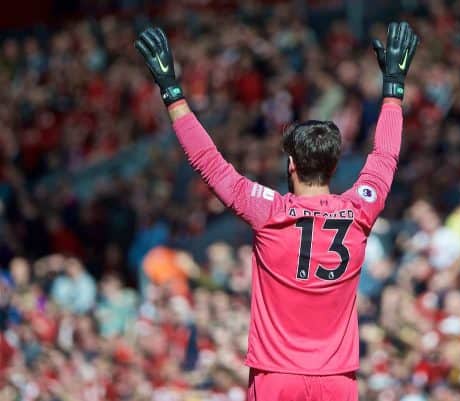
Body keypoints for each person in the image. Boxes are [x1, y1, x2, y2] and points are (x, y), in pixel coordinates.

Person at [135, 21, 419, 400]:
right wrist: (393, 90)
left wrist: (172, 93)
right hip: (336, 380)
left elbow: (209, 162)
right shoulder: (360, 209)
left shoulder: (268, 211)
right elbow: (385, 155)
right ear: (333, 168)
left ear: (290, 165)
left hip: (276, 377)